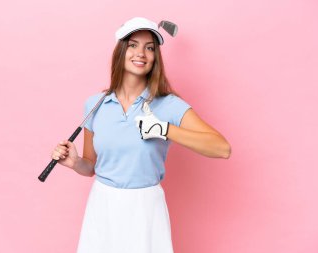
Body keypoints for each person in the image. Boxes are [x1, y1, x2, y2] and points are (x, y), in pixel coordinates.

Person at [51, 17, 231, 253]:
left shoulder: (168, 105)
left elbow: (222, 148)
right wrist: (75, 163)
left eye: (150, 48)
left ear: (156, 57)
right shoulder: (95, 104)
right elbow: (90, 167)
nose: (141, 54)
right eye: (133, 45)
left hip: (145, 208)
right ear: (121, 50)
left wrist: (164, 129)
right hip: (103, 206)